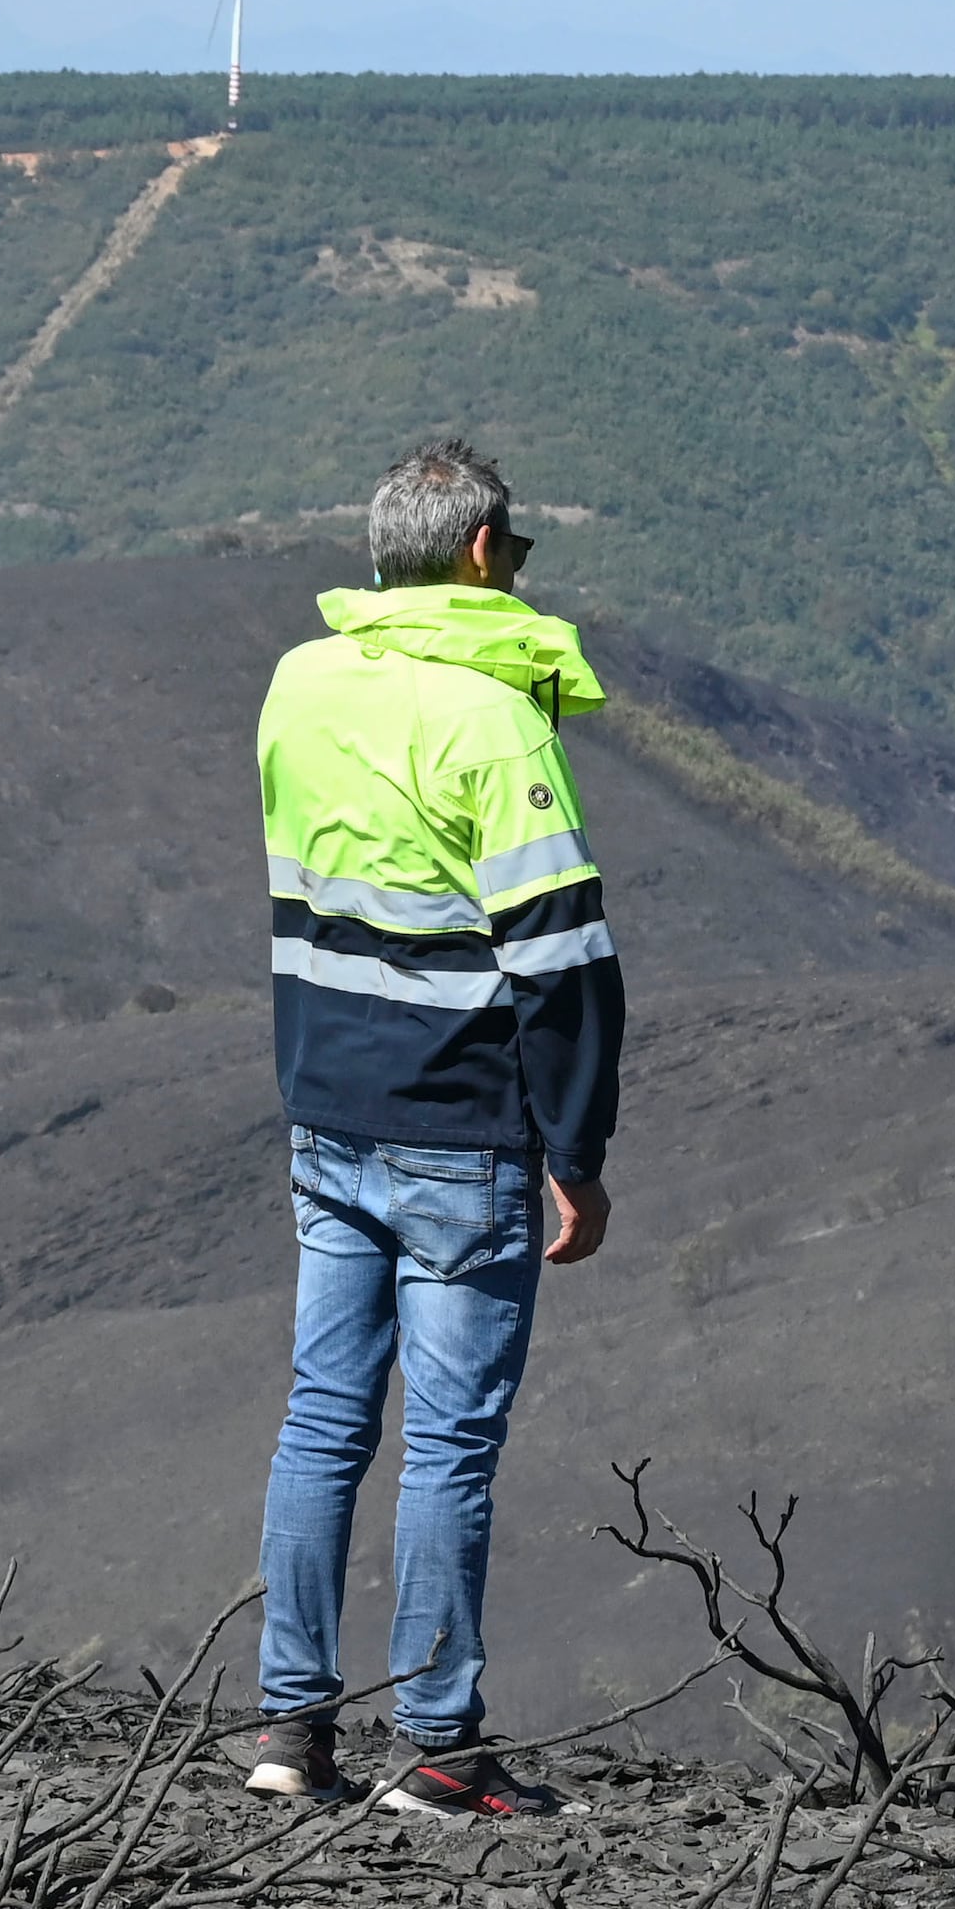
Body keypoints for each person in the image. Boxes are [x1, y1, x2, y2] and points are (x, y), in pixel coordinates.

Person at [241, 439, 620, 1822]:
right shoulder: (494, 721)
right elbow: (563, 957)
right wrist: (576, 1150)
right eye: (516, 555)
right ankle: (441, 1747)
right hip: (460, 1124)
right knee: (450, 1443)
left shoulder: (300, 682)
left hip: (326, 1106)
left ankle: (290, 1730)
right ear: (477, 554)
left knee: (323, 1419)